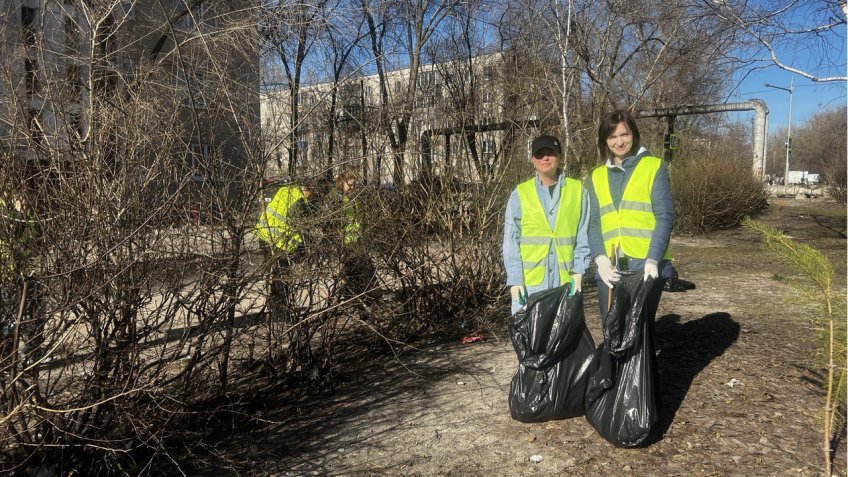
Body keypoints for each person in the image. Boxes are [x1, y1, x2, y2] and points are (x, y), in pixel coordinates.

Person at [586, 109, 673, 322]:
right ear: (604, 141)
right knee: (612, 330)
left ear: (633, 134)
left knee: (640, 332)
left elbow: (664, 216)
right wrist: (600, 258)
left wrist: (653, 259)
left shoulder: (653, 166)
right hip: (611, 266)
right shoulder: (596, 176)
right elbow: (593, 222)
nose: (619, 141)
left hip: (645, 265)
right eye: (612, 136)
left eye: (624, 134)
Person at [503, 134, 591, 315]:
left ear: (559, 156)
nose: (545, 158)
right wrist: (515, 280)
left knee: (564, 339)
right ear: (532, 159)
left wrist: (578, 270)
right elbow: (511, 242)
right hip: (531, 285)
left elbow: (584, 234)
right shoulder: (520, 194)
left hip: (565, 282)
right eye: (539, 154)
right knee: (532, 340)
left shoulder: (578, 191)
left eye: (550, 153)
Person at [333, 172, 374, 310]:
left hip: (356, 241)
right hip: (346, 244)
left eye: (353, 185)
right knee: (353, 273)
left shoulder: (353, 199)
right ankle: (353, 300)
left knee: (363, 271)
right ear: (341, 183)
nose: (352, 187)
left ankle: (361, 300)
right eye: (349, 184)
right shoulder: (337, 201)